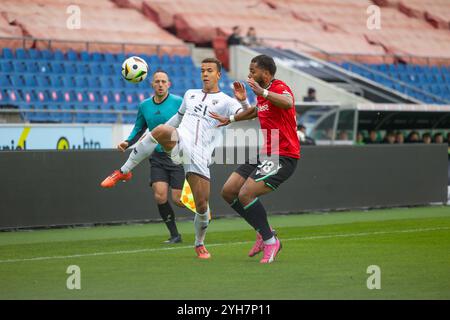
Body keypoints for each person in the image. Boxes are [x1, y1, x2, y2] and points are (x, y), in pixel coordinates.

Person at [100, 58, 251, 259]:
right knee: (161, 129)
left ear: (218, 75)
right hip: (182, 141)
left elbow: (248, 115)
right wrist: (155, 133)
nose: (205, 74)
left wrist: (242, 100)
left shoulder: (227, 101)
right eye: (203, 70)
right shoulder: (190, 95)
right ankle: (123, 171)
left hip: (200, 155)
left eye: (209, 71)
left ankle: (199, 243)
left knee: (202, 206)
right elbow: (177, 120)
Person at [210, 54, 300, 264]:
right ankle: (263, 231)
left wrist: (264, 92)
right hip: (265, 153)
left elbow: (287, 103)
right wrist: (231, 118)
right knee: (228, 191)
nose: (249, 74)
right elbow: (255, 112)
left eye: (253, 70)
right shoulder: (262, 94)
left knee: (246, 194)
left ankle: (270, 241)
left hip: (283, 154)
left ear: (266, 73)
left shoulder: (278, 88)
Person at [101, 71, 185, 243]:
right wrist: (127, 142)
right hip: (157, 157)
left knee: (178, 199)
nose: (160, 84)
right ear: (152, 85)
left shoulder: (178, 102)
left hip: (178, 155)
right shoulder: (144, 105)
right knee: (160, 196)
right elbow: (139, 128)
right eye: (157, 82)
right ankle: (175, 235)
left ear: (169, 84)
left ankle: (202, 208)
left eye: (163, 81)